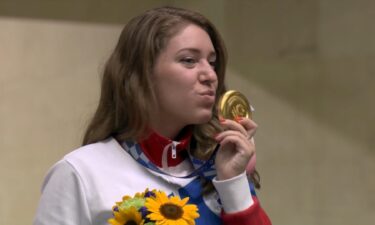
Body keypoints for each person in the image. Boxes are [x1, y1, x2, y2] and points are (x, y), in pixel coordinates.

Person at [34, 6, 271, 225]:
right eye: (189, 60)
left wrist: (233, 183)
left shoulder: (220, 166)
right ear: (141, 72)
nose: (210, 75)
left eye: (212, 62)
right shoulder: (80, 173)